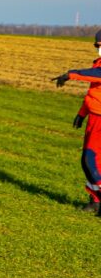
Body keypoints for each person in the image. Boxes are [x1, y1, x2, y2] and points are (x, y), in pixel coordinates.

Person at [53, 29, 101, 214]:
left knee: (90, 160)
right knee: (91, 162)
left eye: (100, 45)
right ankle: (95, 201)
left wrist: (70, 74)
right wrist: (82, 113)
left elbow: (96, 75)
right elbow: (94, 91)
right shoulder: (97, 62)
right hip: (94, 116)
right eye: (96, 45)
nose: (97, 48)